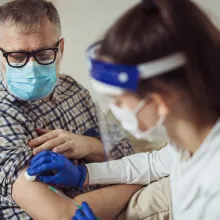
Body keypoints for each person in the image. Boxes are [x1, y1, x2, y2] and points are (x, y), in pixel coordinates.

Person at [28, 0, 220, 219]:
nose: (114, 109)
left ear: (159, 102)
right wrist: (84, 174)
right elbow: (155, 163)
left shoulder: (214, 187)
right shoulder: (190, 140)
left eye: (118, 100)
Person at [0, 0, 138, 219]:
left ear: (60, 48)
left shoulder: (72, 89)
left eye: (44, 54)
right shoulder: (4, 112)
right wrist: (140, 183)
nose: (32, 67)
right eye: (17, 56)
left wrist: (86, 145)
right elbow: (61, 214)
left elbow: (127, 152)